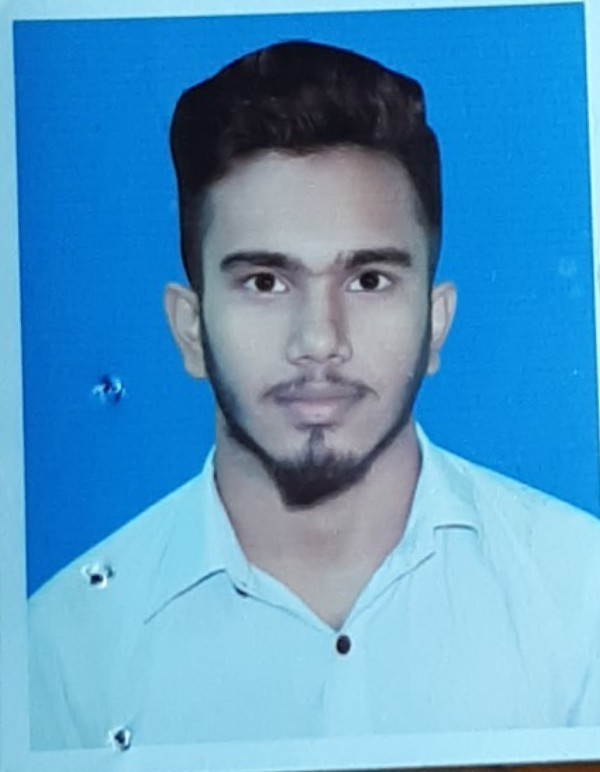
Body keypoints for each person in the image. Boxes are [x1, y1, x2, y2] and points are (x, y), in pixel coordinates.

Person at [29, 40, 600, 750]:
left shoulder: (580, 596)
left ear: (436, 323)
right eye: (266, 282)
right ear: (190, 330)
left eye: (369, 280)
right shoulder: (60, 655)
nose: (320, 340)